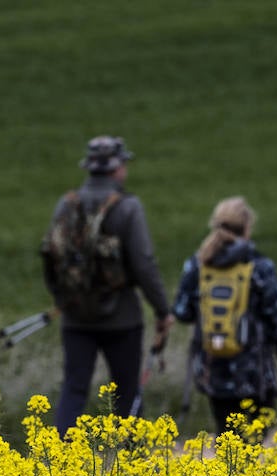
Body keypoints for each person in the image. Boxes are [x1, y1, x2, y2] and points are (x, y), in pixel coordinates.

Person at [45, 136, 174, 434]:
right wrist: (162, 310)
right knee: (127, 392)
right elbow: (144, 264)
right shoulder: (128, 207)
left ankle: (60, 459)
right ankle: (132, 466)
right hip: (122, 318)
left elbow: (51, 256)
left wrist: (63, 298)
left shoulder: (66, 204)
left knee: (74, 389)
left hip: (76, 316)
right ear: (117, 169)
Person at [172, 196, 277, 438]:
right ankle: (247, 475)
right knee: (256, 435)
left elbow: (181, 311)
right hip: (254, 370)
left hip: (213, 369)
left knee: (227, 436)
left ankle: (230, 475)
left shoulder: (198, 264)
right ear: (247, 227)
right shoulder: (259, 266)